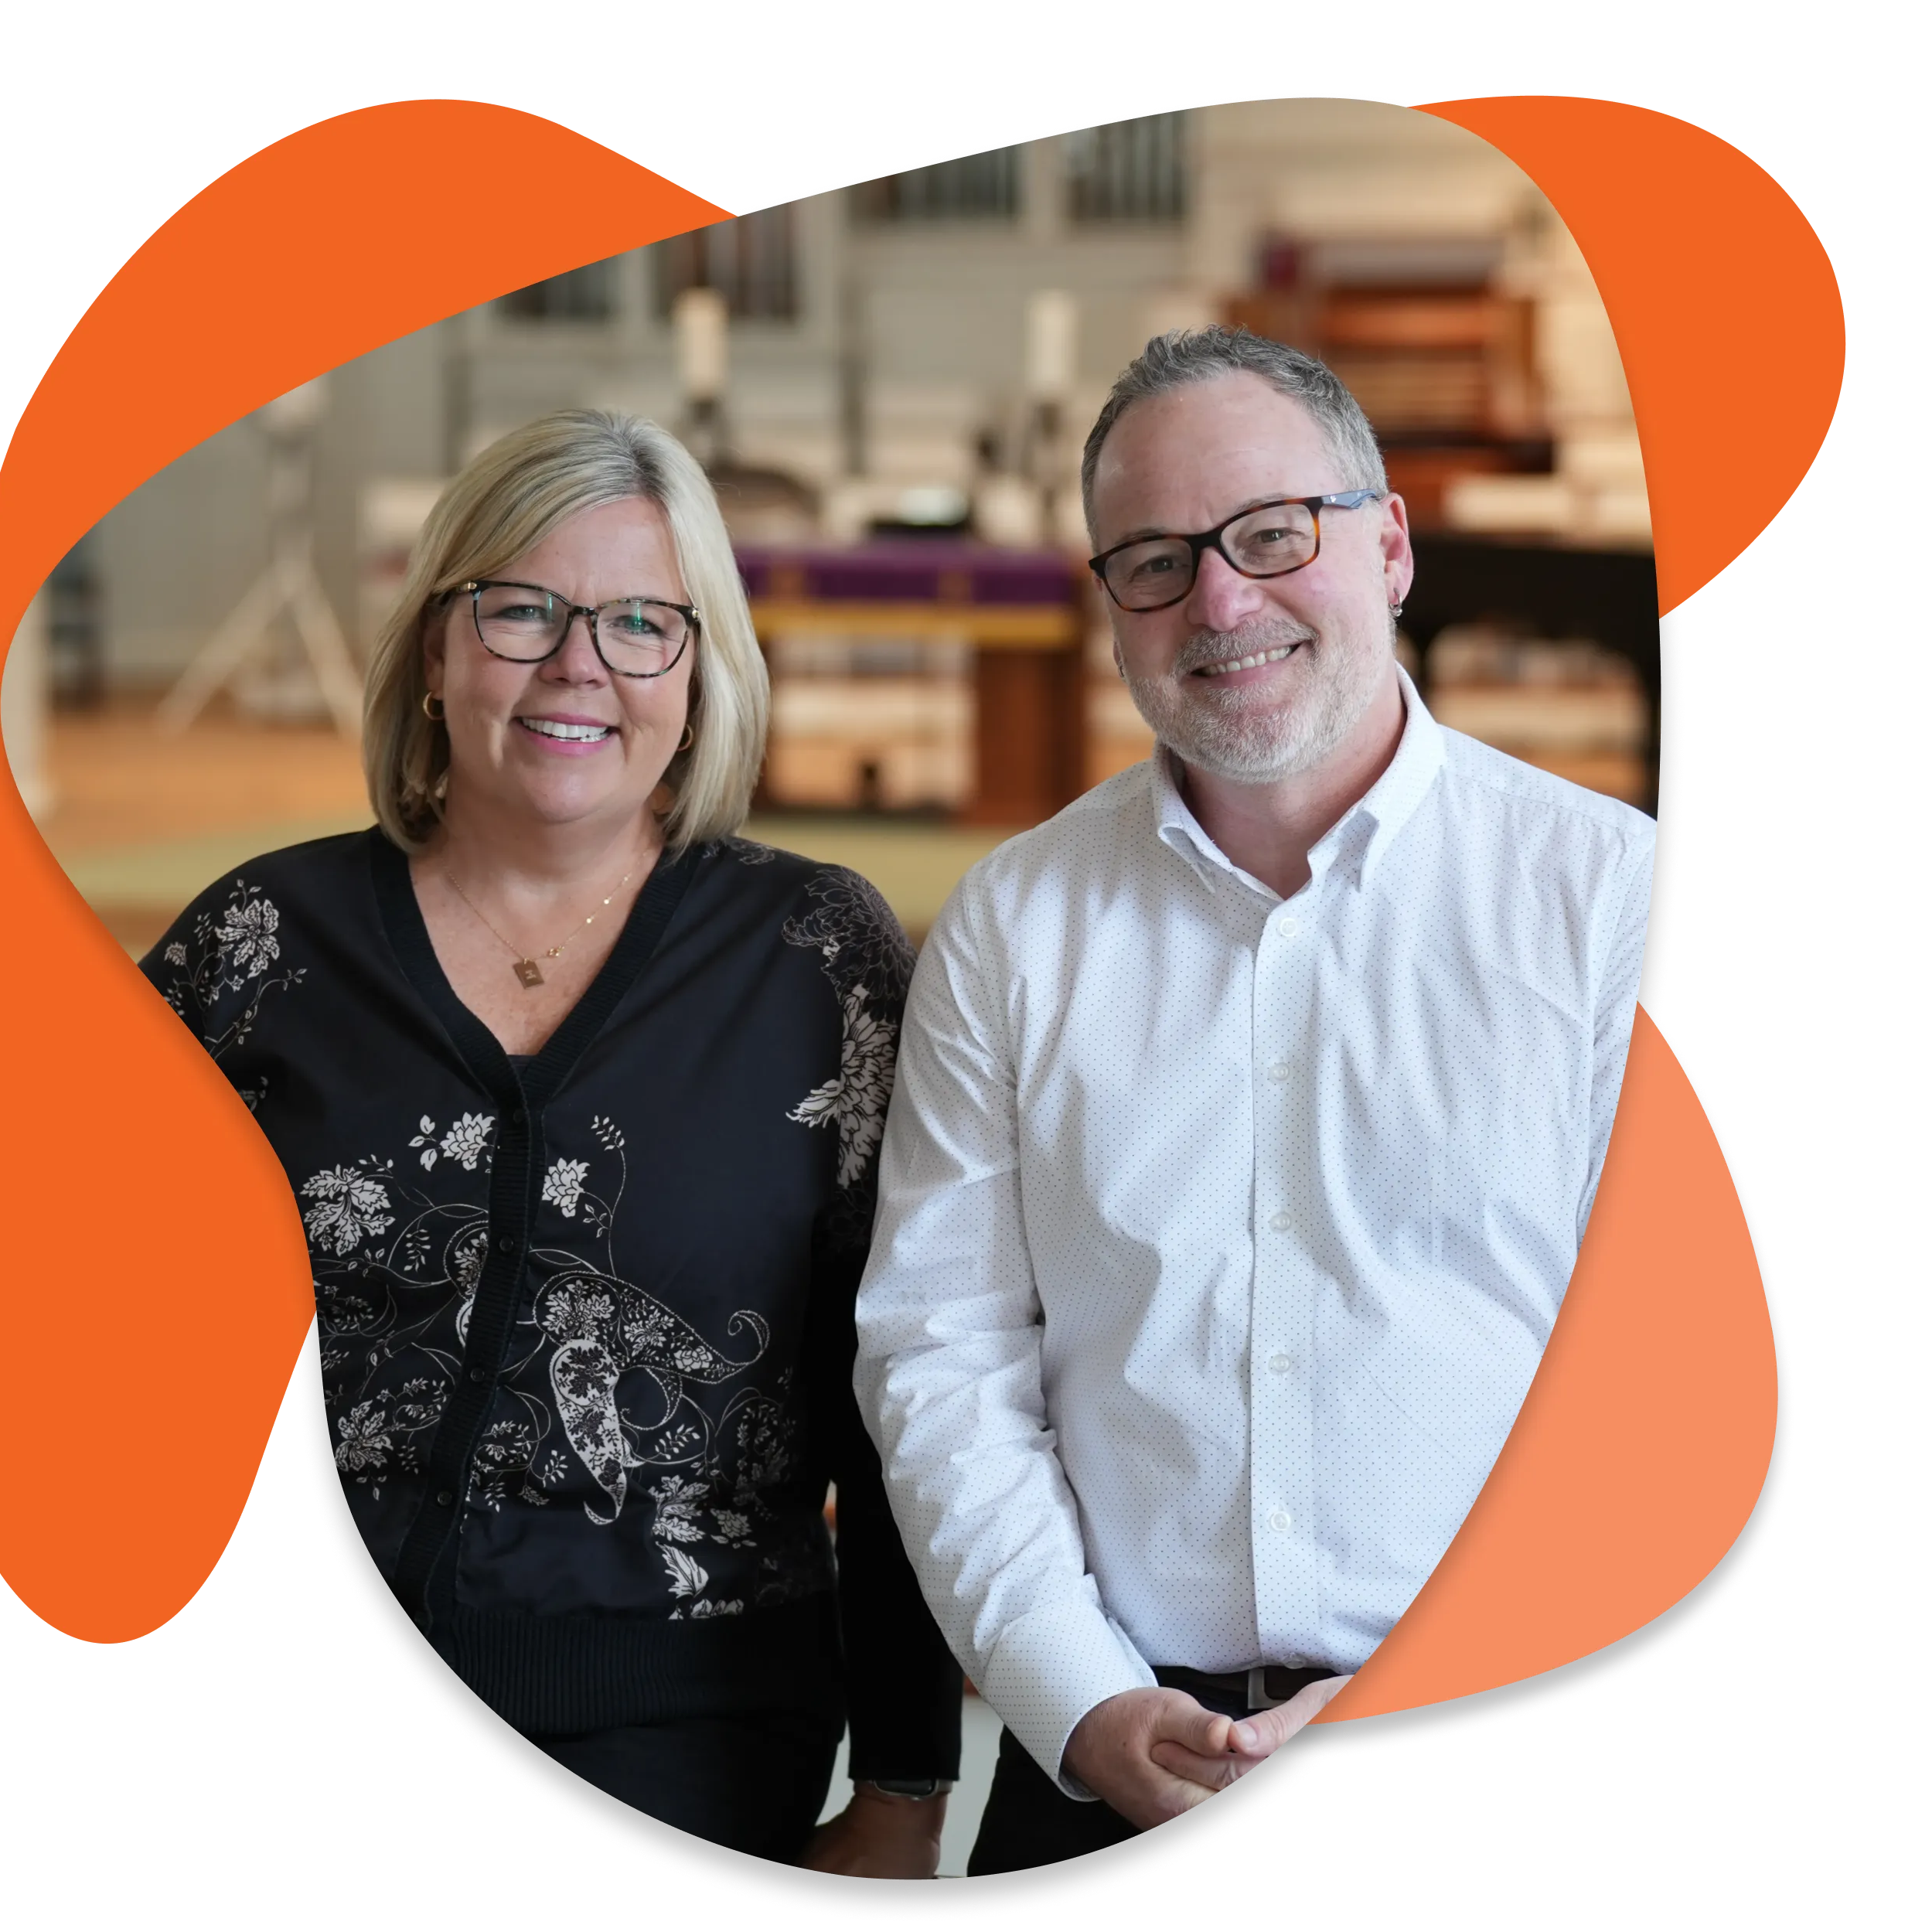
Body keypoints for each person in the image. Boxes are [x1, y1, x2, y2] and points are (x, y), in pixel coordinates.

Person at [852, 329, 1655, 1876]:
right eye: (1154, 562)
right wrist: (1078, 1701)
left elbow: (1680, 1375)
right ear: (1110, 610)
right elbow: (944, 1357)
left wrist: (1468, 1671)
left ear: (1391, 544)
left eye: (1273, 534)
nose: (1220, 603)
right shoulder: (1014, 927)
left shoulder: (1605, 901)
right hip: (1109, 1768)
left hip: (1513, 1699)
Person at [141, 411, 963, 1872]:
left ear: (699, 674)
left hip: (679, 1707)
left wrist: (904, 1786)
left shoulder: (809, 957)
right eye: (522, 610)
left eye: (643, 621)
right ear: (438, 648)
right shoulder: (262, 944)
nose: (580, 663)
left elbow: (898, 1382)